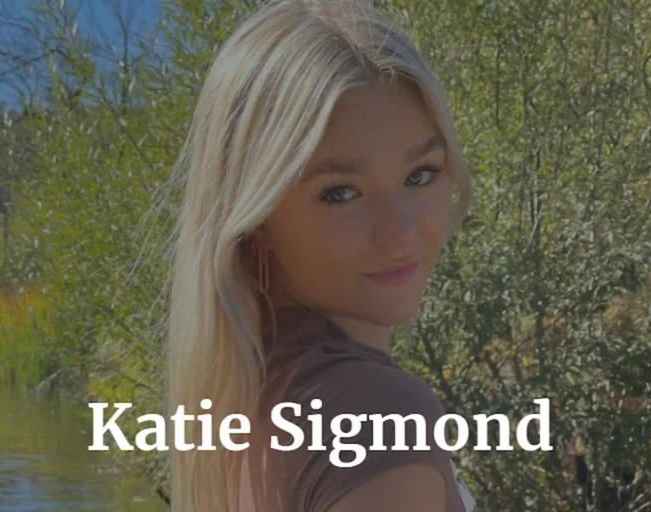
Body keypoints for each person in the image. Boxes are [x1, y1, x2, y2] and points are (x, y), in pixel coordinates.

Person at [164, 0, 475, 510]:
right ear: (257, 216)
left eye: (420, 175)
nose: (401, 231)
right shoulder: (376, 417)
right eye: (341, 193)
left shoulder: (240, 402)